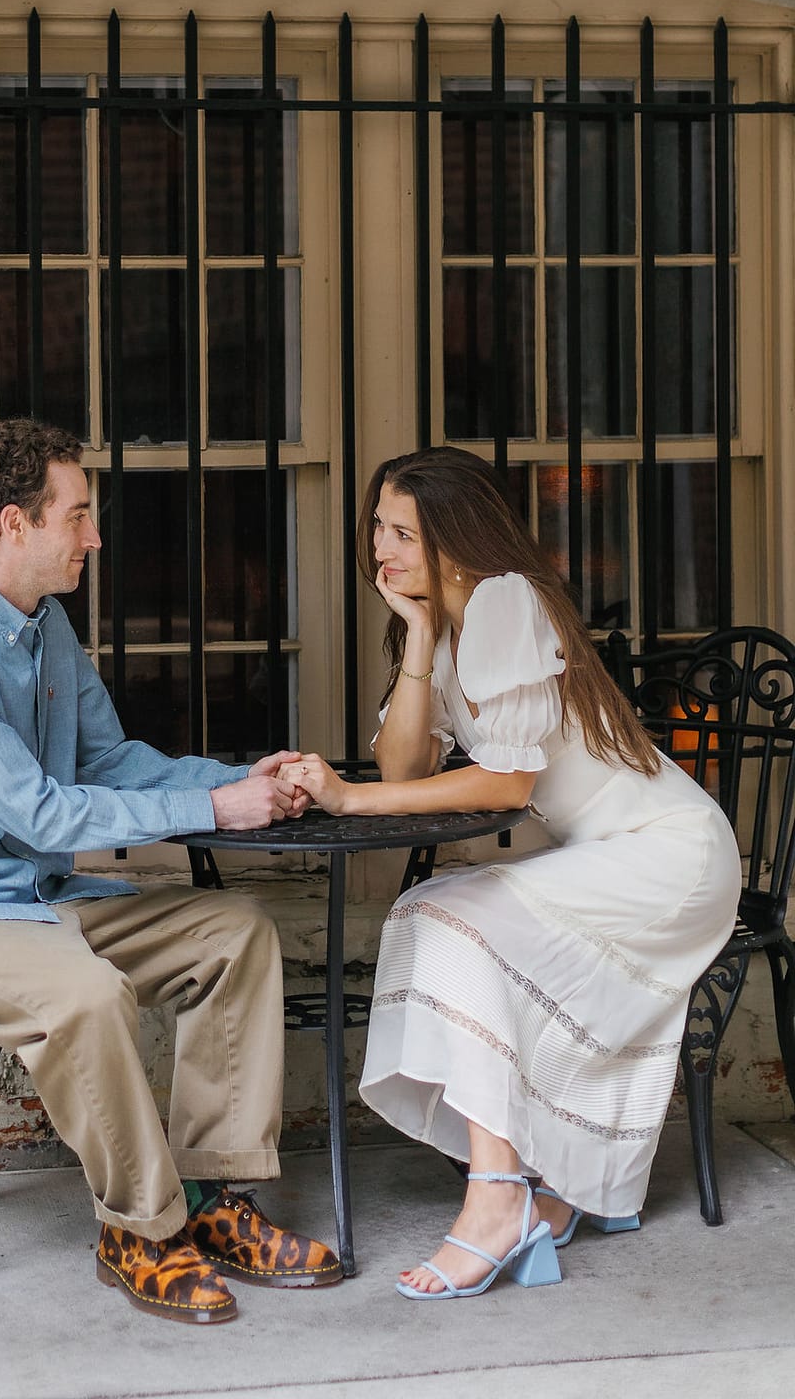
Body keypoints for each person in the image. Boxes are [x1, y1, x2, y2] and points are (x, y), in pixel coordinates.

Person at [0, 417, 341, 1324]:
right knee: (90, 995)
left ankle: (218, 1199)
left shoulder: (47, 629)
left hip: (33, 899)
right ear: (13, 525)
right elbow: (38, 810)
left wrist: (240, 778)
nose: (96, 537)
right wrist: (216, 814)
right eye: (79, 516)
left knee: (237, 934)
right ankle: (141, 1230)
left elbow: (110, 766)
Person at [281, 446, 741, 1302]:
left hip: (669, 851)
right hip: (600, 855)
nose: (383, 548)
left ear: (455, 537)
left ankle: (499, 1198)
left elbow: (505, 782)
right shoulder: (450, 622)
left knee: (449, 919)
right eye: (378, 528)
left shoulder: (504, 600)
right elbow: (404, 768)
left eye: (405, 533)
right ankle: (548, 1184)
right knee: (430, 911)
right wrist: (418, 640)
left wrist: (343, 803)